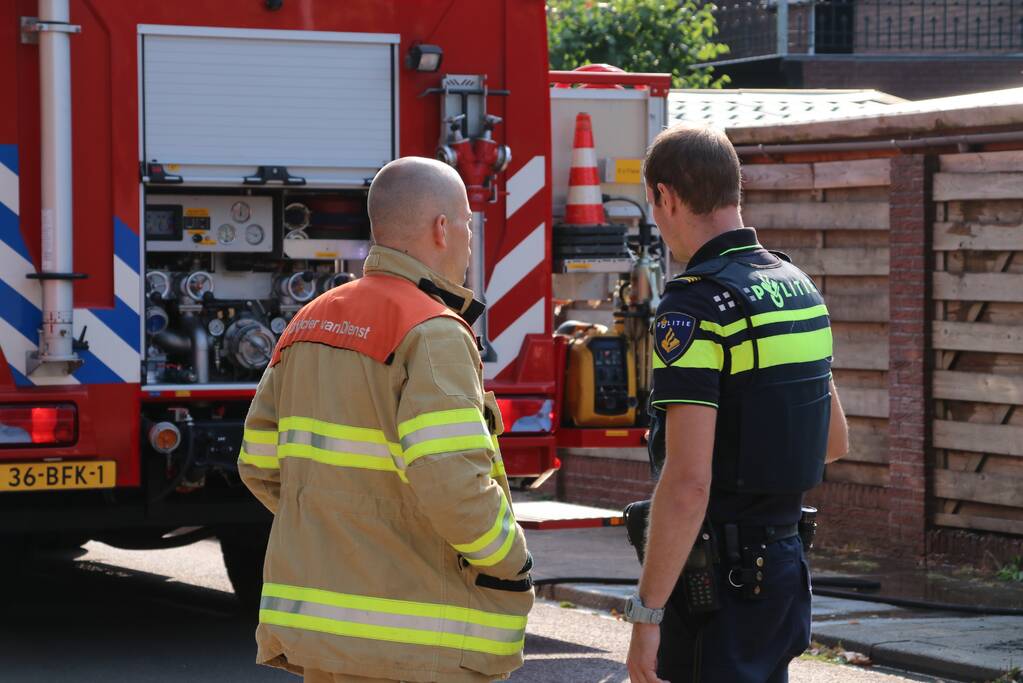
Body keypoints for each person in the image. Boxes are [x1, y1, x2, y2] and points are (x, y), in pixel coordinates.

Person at [238, 156, 534, 683]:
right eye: (467, 224)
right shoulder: (434, 332)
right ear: (442, 229)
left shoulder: (309, 322)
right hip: (418, 646)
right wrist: (513, 560)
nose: (469, 240)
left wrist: (336, 528)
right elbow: (456, 487)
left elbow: (259, 462)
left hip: (326, 643)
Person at [624, 124, 850, 683]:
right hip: (784, 577)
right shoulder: (798, 288)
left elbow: (688, 483)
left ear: (665, 196)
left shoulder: (695, 305)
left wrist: (647, 615)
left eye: (653, 204)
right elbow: (833, 442)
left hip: (717, 590)